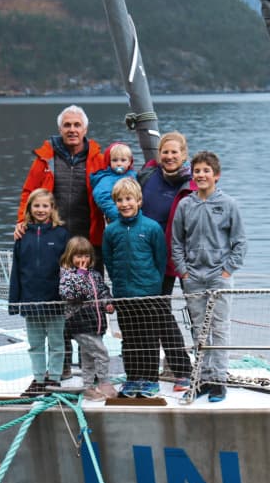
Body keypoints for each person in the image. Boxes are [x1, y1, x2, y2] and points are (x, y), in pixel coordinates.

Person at [16, 105, 105, 382]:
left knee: (91, 303)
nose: (72, 130)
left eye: (77, 125)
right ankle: (63, 365)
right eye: (67, 125)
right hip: (55, 242)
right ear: (60, 129)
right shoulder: (45, 159)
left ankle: (89, 365)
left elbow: (110, 187)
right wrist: (22, 220)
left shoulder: (98, 158)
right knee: (59, 302)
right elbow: (29, 191)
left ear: (85, 129)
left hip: (90, 241)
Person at [171, 151, 247, 402]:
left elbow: (240, 243)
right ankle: (202, 378)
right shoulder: (185, 205)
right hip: (193, 277)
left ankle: (219, 381)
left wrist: (226, 271)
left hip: (218, 277)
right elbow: (177, 242)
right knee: (198, 329)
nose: (201, 175)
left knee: (219, 328)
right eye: (197, 171)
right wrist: (183, 270)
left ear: (216, 175)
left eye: (206, 171)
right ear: (192, 176)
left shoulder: (228, 205)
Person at [136, 131, 194, 388]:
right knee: (152, 312)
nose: (169, 157)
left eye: (174, 152)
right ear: (159, 154)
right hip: (146, 255)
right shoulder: (148, 175)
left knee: (192, 313)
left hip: (180, 257)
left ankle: (189, 369)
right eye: (165, 152)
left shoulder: (192, 183)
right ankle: (158, 371)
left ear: (184, 155)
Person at [102, 178, 169, 399]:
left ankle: (150, 380)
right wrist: (119, 283)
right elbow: (109, 261)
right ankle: (133, 378)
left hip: (148, 293)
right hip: (124, 294)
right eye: (120, 200)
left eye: (129, 199)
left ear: (139, 200)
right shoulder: (111, 231)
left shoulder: (152, 228)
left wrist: (152, 284)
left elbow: (161, 260)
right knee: (129, 339)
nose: (124, 204)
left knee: (148, 338)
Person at [8, 188, 70, 397]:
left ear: (52, 208)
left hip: (55, 300)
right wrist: (14, 301)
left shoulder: (61, 234)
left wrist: (67, 299)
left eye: (45, 206)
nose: (41, 210)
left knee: (56, 342)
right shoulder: (22, 235)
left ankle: (54, 378)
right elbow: (16, 270)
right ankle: (38, 379)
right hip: (30, 299)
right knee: (35, 343)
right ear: (29, 208)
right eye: (36, 206)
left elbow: (68, 268)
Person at [58, 236, 117, 401]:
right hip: (78, 321)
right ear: (70, 256)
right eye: (78, 256)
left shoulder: (95, 275)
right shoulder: (67, 275)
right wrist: (81, 275)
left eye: (85, 256)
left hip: (94, 321)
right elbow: (69, 294)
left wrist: (107, 304)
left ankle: (87, 386)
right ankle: (104, 382)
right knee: (102, 353)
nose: (82, 260)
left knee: (88, 356)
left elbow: (103, 291)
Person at [90, 142, 137, 222]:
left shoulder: (134, 175)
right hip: (118, 219)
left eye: (123, 160)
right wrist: (119, 217)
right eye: (115, 160)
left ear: (129, 162)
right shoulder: (106, 179)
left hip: (135, 216)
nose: (119, 163)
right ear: (109, 162)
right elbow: (104, 200)